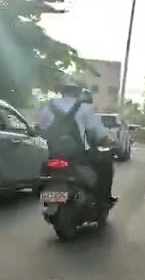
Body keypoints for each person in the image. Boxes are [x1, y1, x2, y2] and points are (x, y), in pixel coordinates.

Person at [36, 77, 117, 206]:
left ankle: (49, 199)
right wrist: (107, 140)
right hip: (78, 154)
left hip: (52, 153)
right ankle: (104, 199)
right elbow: (96, 130)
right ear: (77, 92)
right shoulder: (84, 108)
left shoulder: (47, 108)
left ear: (62, 91)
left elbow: (41, 128)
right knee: (106, 164)